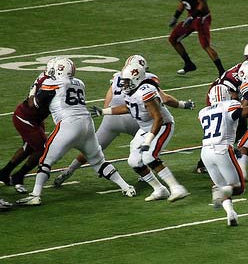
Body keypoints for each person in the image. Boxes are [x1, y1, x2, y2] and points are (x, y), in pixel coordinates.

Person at [53, 55, 195, 186]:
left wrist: (106, 112)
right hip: (136, 118)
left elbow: (108, 100)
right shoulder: (148, 79)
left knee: (94, 147)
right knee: (149, 145)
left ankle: (69, 170)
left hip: (113, 117)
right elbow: (165, 99)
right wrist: (183, 104)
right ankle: (148, 173)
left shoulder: (117, 77)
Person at [16, 57, 136, 206]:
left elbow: (33, 105)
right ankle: (126, 187)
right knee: (98, 161)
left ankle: (36, 195)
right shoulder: (80, 83)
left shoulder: (52, 82)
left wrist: (34, 88)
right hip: (87, 124)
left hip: (68, 124)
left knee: (46, 160)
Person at [90, 63, 190, 202]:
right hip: (145, 129)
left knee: (149, 157)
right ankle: (160, 189)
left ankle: (176, 188)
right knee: (134, 161)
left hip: (162, 126)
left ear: (136, 79)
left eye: (127, 81)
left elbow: (158, 118)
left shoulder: (146, 91)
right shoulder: (130, 91)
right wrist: (103, 111)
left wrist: (148, 142)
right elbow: (128, 107)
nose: (123, 84)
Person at [198, 84, 248, 226]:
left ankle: (230, 214)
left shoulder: (202, 112)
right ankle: (220, 191)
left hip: (205, 153)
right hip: (222, 150)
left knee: (222, 183)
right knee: (238, 188)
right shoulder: (230, 105)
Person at [0, 61, 54, 193]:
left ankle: (4, 173)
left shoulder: (46, 78)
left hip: (34, 118)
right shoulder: (47, 81)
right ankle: (18, 176)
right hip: (26, 117)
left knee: (29, 147)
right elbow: (32, 103)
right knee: (42, 149)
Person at [168, 0, 225, 76]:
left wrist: (192, 17)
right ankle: (189, 64)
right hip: (191, 17)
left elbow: (202, 2)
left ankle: (222, 72)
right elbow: (183, 1)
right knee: (173, 38)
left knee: (205, 45)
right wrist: (176, 16)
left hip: (201, 17)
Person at [194, 62, 246, 174]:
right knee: (227, 128)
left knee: (239, 128)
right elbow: (235, 98)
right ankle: (207, 162)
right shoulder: (232, 78)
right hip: (218, 98)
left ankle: (221, 155)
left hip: (224, 97)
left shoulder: (243, 70)